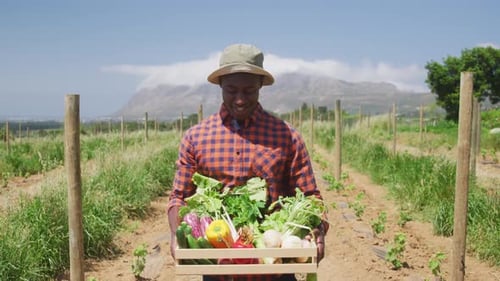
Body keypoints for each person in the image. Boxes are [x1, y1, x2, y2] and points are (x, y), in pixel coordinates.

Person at [167, 43, 329, 281]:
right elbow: (178, 198)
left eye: (249, 91)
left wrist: (318, 231)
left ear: (260, 86)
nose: (240, 100)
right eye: (232, 90)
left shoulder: (286, 136)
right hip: (219, 269)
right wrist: (176, 232)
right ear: (220, 84)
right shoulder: (196, 138)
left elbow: (311, 196)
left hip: (276, 269)